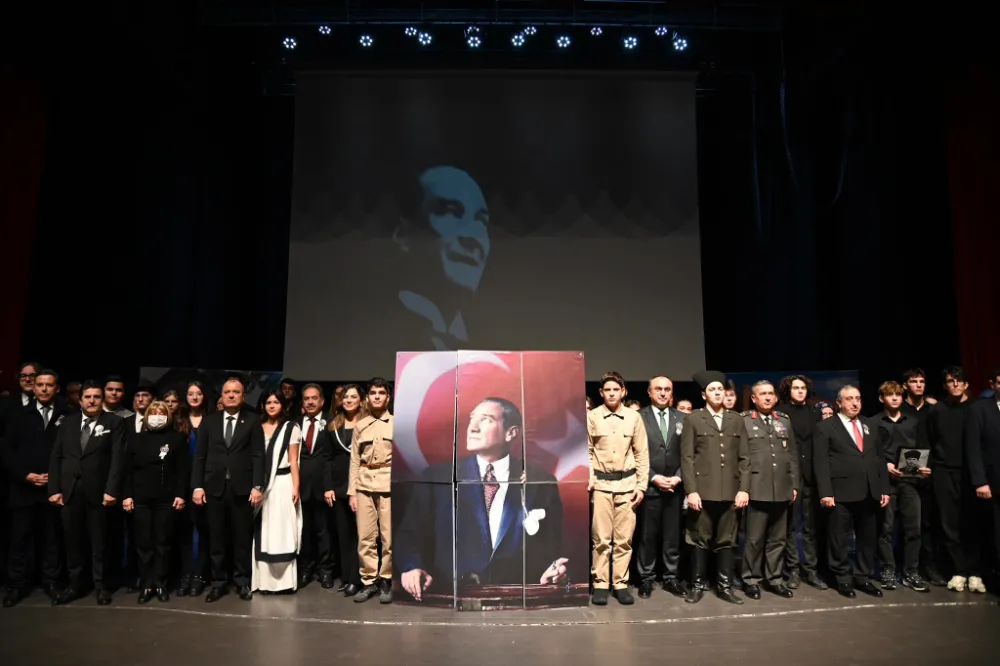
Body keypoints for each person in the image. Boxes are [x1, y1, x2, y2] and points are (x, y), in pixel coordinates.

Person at [398, 397, 567, 602]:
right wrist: (412, 567)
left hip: (515, 602)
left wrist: (552, 569)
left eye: (486, 419)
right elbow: (410, 534)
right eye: (472, 419)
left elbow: (551, 544)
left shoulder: (540, 482)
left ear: (511, 433)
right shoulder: (437, 478)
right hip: (449, 599)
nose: (472, 428)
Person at [390, 166, 491, 350]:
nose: (473, 237)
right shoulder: (364, 335)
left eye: (481, 222)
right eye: (451, 212)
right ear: (405, 234)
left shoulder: (495, 347)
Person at [47, 380, 126, 605]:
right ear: (80, 400)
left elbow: (118, 459)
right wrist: (54, 489)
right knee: (72, 541)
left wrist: (111, 490)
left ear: (102, 399)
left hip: (99, 492)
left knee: (99, 543)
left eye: (96, 397)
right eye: (87, 397)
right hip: (70, 491)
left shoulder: (115, 422)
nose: (92, 401)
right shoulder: (68, 423)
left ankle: (101, 586)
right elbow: (57, 456)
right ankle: (75, 585)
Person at [191, 376, 265, 602]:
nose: (231, 395)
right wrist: (197, 486)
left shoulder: (252, 420)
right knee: (216, 538)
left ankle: (242, 581)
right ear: (221, 396)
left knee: (242, 538)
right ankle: (218, 582)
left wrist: (258, 485)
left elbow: (258, 455)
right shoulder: (209, 421)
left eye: (236, 392)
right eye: (227, 392)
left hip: (242, 489)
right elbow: (200, 456)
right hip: (214, 489)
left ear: (243, 396)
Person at [2, 369, 71, 607]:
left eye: (48, 385)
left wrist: (57, 477)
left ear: (57, 388)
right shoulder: (19, 414)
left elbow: (71, 452)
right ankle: (15, 586)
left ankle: (51, 583)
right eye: (39, 384)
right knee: (19, 540)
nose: (43, 388)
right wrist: (25, 475)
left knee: (52, 540)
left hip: (53, 489)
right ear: (34, 387)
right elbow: (6, 450)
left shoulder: (67, 414)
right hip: (24, 488)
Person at [814, 385, 889, 598]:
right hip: (841, 492)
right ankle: (842, 578)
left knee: (867, 537)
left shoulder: (870, 424)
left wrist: (884, 488)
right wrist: (825, 492)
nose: (855, 403)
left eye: (858, 398)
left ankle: (862, 576)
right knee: (839, 538)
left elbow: (879, 458)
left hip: (869, 490)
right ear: (839, 403)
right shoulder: (825, 427)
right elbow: (820, 462)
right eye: (849, 399)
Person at [681, 370, 749, 605]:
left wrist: (744, 489)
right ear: (704, 395)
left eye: (720, 389)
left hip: (730, 491)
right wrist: (691, 490)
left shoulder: (736, 419)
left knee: (727, 540)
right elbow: (687, 457)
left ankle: (724, 586)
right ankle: (698, 585)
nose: (718, 393)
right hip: (703, 491)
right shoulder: (694, 419)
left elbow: (745, 457)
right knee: (699, 539)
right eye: (712, 390)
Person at [588, 371, 648, 606]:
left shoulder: (634, 417)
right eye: (607, 390)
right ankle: (601, 583)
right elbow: (587, 451)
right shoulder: (593, 416)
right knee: (601, 539)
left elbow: (641, 453)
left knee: (624, 539)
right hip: (601, 485)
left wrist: (641, 486)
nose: (612, 393)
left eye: (616, 389)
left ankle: (620, 583)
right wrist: (590, 479)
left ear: (623, 392)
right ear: (601, 393)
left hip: (627, 485)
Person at [121, 401, 188, 603]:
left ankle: (160, 583)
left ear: (168, 416)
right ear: (147, 416)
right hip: (140, 498)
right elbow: (127, 470)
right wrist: (127, 495)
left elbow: (183, 470)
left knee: (163, 543)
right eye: (153, 412)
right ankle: (146, 584)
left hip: (166, 499)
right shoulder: (135, 439)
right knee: (143, 544)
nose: (157, 416)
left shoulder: (176, 439)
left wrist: (180, 494)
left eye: (161, 412)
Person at [740, 381, 797, 599]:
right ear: (753, 398)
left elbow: (792, 455)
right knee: (754, 539)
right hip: (757, 487)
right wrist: (744, 488)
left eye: (770, 394)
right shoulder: (745, 420)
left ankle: (775, 579)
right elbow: (741, 458)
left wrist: (794, 484)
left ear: (775, 397)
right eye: (762, 394)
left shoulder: (783, 420)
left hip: (781, 487)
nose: (767, 397)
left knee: (778, 539)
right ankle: (751, 579)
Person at [924, 366, 978, 592]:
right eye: (950, 381)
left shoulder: (976, 408)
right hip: (943, 472)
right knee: (949, 524)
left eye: (959, 381)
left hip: (972, 473)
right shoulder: (937, 410)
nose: (955, 384)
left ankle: (975, 571)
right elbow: (929, 440)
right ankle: (959, 571)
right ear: (945, 385)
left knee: (973, 523)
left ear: (966, 384)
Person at [874, 381, 930, 593]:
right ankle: (888, 569)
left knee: (913, 528)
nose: (895, 398)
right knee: (885, 529)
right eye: (890, 395)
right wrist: (885, 465)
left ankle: (911, 571)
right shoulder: (874, 422)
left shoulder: (913, 422)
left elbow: (921, 448)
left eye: (898, 394)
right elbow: (870, 453)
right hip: (885, 482)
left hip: (909, 481)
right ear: (882, 399)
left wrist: (923, 468)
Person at [635, 375, 685, 598]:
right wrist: (653, 477)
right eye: (658, 389)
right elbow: (633, 453)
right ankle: (646, 578)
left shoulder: (682, 418)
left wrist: (678, 477)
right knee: (648, 536)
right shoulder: (638, 417)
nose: (663, 393)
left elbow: (689, 453)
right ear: (649, 392)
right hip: (649, 486)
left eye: (667, 389)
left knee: (672, 536)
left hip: (675, 486)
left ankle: (671, 577)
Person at [778, 374, 828, 590]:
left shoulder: (815, 413)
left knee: (810, 527)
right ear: (788, 391)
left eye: (803, 388)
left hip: (811, 476)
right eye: (795, 388)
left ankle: (811, 570)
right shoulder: (781, 413)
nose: (800, 391)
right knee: (790, 527)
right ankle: (793, 570)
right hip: (791, 476)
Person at [348, 378, 394, 603]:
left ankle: (387, 580)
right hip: (364, 486)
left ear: (388, 397)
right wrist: (352, 492)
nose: (377, 396)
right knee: (365, 537)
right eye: (373, 393)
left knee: (388, 537)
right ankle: (369, 581)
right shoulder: (360, 425)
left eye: (381, 392)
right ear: (367, 398)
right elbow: (355, 461)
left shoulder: (396, 424)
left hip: (389, 485)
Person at [251, 391, 302, 593]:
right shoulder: (257, 426)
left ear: (283, 405)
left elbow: (293, 460)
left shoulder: (291, 428)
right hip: (261, 485)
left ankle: (284, 583)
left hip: (282, 483)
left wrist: (295, 487)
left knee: (282, 530)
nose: (272, 405)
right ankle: (263, 582)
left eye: (276, 402)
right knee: (264, 530)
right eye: (268, 402)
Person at [964, 366, 1000, 595]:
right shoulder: (980, 408)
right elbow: (973, 447)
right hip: (993, 483)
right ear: (993, 385)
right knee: (995, 534)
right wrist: (980, 481)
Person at [296, 384, 336, 589]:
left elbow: (332, 457)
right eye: (306, 398)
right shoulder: (294, 424)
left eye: (314, 398)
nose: (310, 402)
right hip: (300, 487)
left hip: (323, 487)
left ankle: (325, 571)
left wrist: (329, 485)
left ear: (322, 401)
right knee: (303, 531)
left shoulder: (331, 422)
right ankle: (305, 570)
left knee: (324, 531)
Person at [175, 381, 212, 597]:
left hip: (207, 482)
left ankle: (200, 575)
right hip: (182, 482)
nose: (195, 397)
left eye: (199, 393)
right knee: (184, 531)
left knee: (205, 530)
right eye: (190, 393)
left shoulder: (212, 419)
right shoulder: (177, 420)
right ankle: (186, 574)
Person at [328, 385, 364, 596]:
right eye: (345, 397)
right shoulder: (334, 425)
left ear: (361, 400)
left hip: (363, 485)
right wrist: (328, 486)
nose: (349, 400)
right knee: (343, 534)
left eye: (353, 397)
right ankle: (347, 577)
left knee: (362, 535)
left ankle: (359, 578)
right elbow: (327, 457)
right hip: (340, 485)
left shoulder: (368, 423)